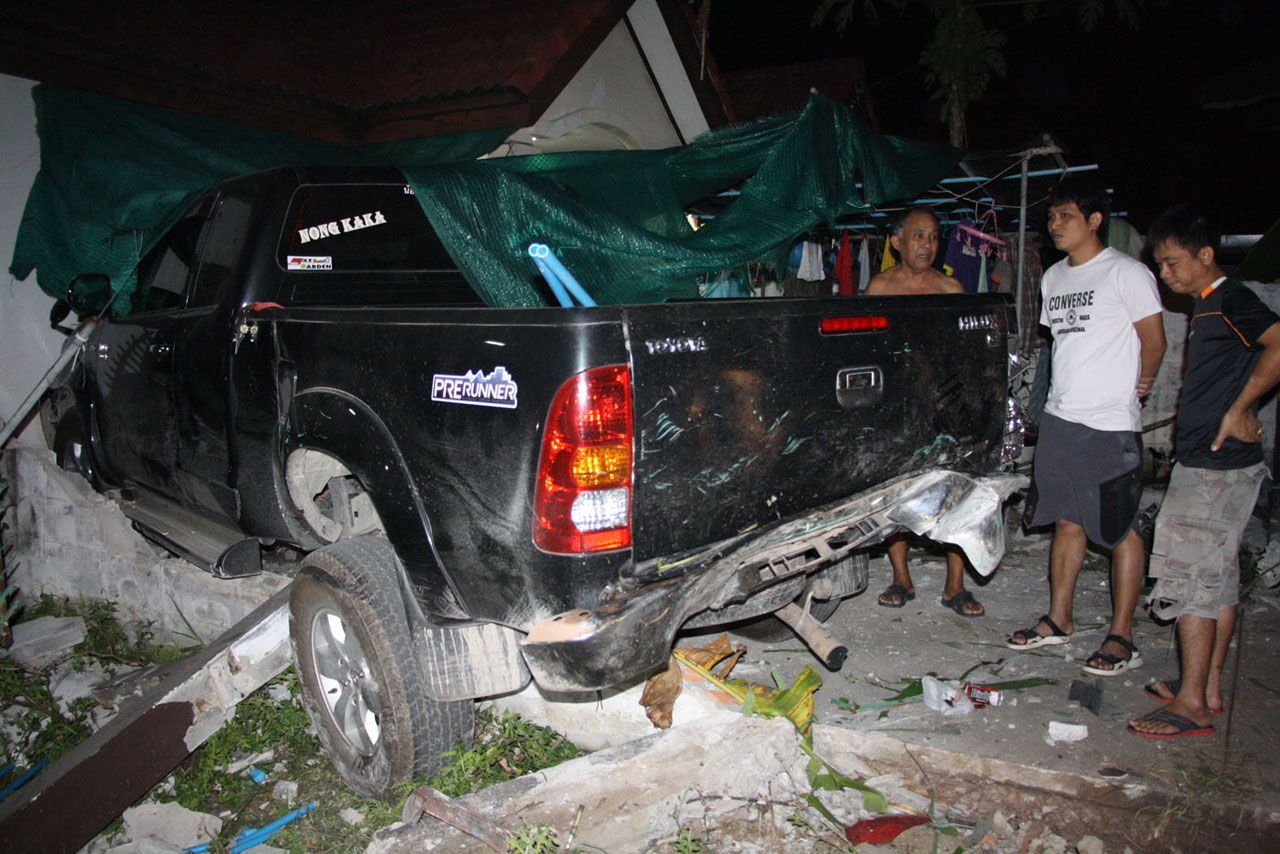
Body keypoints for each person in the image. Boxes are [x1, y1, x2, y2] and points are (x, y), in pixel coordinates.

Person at [1129, 206, 1280, 738]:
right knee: (1217, 579)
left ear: (1206, 255)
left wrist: (1241, 408)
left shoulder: (1231, 298)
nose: (1165, 273)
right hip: (1221, 464)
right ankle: (1207, 686)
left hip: (1213, 467)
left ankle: (1190, 704)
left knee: (1189, 579)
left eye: (1172, 262)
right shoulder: (1209, 307)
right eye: (1160, 264)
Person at [1007, 176, 1166, 674]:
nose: (1055, 225)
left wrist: (1142, 383)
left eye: (1066, 216)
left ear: (1094, 220)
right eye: (1052, 216)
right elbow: (1061, 345)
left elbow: (1154, 340)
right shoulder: (1054, 278)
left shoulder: (1127, 273)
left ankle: (1122, 637)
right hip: (1061, 419)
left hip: (1109, 422)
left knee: (1119, 529)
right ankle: (1059, 619)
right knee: (1066, 520)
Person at [866, 208, 984, 617]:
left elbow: (966, 353)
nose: (927, 245)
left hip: (945, 404)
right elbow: (870, 349)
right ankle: (901, 577)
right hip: (897, 404)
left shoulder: (950, 289)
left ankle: (956, 586)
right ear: (897, 241)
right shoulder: (880, 287)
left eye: (933, 237)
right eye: (918, 236)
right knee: (897, 491)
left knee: (954, 491)